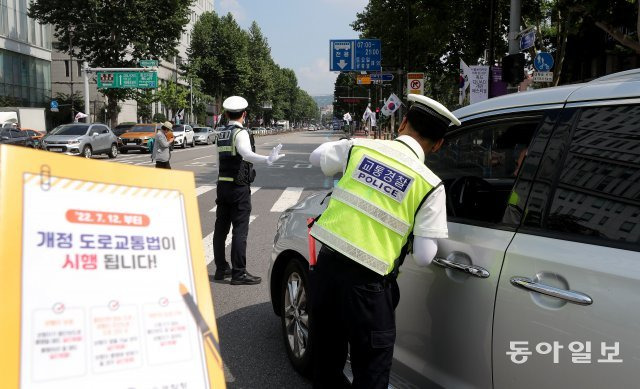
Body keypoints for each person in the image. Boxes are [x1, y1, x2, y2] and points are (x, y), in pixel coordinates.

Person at [307, 94, 461, 388]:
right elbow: (425, 256)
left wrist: (341, 144)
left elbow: (317, 157)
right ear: (438, 144)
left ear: (403, 122)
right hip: (368, 289)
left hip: (326, 274)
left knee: (326, 362)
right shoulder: (430, 184)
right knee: (371, 372)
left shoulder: (359, 147)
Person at [212, 96, 285, 285]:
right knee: (239, 231)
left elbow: (218, 161)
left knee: (221, 229)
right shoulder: (240, 133)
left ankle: (221, 269)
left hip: (223, 185)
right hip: (238, 187)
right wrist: (267, 159)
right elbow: (246, 154)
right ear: (244, 114)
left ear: (226, 114)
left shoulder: (221, 133)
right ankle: (239, 273)